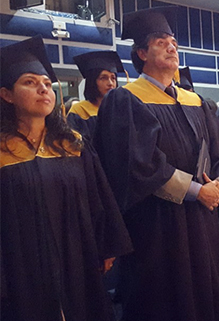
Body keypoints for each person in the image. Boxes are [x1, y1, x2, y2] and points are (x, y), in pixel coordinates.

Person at [93, 7, 219, 321]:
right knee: (164, 297)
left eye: (172, 40)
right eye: (161, 41)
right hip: (158, 225)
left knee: (207, 288)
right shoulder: (126, 99)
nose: (172, 46)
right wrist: (198, 191)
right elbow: (138, 164)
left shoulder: (195, 101)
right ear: (142, 52)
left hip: (203, 218)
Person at [0, 35, 132, 321]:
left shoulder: (72, 143)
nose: (43, 89)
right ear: (7, 94)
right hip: (21, 266)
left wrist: (105, 246)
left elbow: (97, 198)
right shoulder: (2, 151)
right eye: (30, 82)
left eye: (47, 83)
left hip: (78, 258)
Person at [67, 50, 125, 139]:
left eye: (113, 78)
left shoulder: (121, 110)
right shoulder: (80, 111)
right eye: (103, 78)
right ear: (92, 81)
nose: (110, 83)